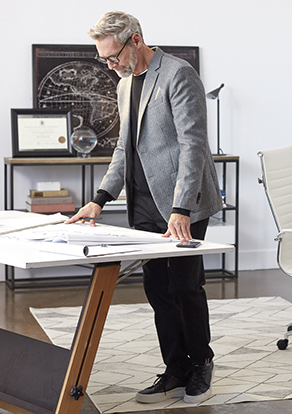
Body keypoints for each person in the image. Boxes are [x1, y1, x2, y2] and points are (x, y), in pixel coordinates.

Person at [66, 10, 222, 404]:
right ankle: (175, 368)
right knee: (157, 289)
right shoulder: (123, 84)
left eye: (113, 56)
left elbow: (193, 145)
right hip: (142, 202)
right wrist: (99, 199)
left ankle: (201, 363)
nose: (109, 65)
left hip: (181, 204)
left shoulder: (178, 74)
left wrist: (181, 207)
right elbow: (124, 147)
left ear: (135, 40)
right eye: (103, 59)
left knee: (186, 286)